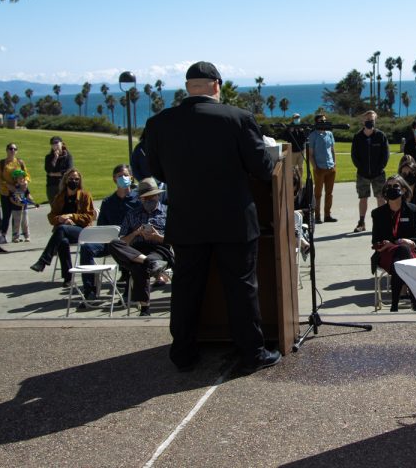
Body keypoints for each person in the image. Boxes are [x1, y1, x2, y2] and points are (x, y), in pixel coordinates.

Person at [144, 60, 280, 374]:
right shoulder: (238, 118)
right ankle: (252, 352)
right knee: (241, 287)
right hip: (233, 219)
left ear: (188, 86)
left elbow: (157, 171)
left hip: (187, 220)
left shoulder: (160, 123)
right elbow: (262, 168)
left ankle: (183, 352)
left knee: (187, 288)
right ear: (216, 85)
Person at [108, 178, 174, 317]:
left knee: (139, 267)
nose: (149, 200)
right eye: (145, 198)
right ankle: (147, 262)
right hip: (136, 250)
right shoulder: (132, 214)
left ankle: (145, 309)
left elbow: (176, 239)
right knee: (114, 244)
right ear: (140, 199)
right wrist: (135, 233)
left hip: (159, 250)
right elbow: (123, 241)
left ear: (158, 195)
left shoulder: (168, 212)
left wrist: (157, 237)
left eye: (152, 197)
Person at [78, 164, 140, 302]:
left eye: (125, 175)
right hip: (111, 242)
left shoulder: (139, 201)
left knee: (133, 249)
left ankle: (129, 291)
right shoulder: (108, 202)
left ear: (131, 177)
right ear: (114, 179)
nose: (123, 178)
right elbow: (101, 228)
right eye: (119, 176)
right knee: (87, 247)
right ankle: (90, 291)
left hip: (131, 242)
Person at [29, 169, 96, 284]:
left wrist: (72, 217)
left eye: (76, 179)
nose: (73, 181)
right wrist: (60, 219)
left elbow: (89, 217)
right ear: (65, 180)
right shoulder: (60, 197)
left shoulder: (85, 196)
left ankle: (44, 260)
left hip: (81, 230)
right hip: (64, 231)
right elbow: (51, 216)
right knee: (62, 241)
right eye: (71, 179)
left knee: (61, 229)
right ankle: (68, 277)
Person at [370, 175, 416, 312]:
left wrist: (409, 241)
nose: (391, 189)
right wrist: (390, 244)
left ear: (404, 190)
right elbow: (375, 241)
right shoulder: (378, 213)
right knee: (402, 253)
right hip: (387, 254)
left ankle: (394, 307)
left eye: (395, 186)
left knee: (402, 254)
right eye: (388, 187)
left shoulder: (413, 210)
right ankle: (414, 301)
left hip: (409, 253)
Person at [350, 109, 390, 233]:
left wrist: (380, 168)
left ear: (375, 120)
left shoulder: (380, 136)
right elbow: (354, 155)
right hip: (362, 174)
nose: (370, 122)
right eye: (367, 120)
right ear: (363, 121)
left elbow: (386, 155)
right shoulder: (358, 137)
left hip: (378, 174)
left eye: (372, 120)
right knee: (363, 198)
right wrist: (361, 168)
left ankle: (383, 222)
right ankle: (361, 223)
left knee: (381, 198)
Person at [0, 142, 28, 244]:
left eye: (15, 149)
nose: (12, 151)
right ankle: (3, 235)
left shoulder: (20, 162)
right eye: (10, 149)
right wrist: (7, 185)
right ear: (6, 150)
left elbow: (26, 175)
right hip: (6, 192)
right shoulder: (2, 163)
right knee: (6, 214)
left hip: (18, 191)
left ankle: (16, 236)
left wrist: (25, 182)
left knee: (17, 213)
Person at [8, 169, 38, 242]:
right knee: (16, 223)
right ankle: (15, 237)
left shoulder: (25, 187)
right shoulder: (13, 188)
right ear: (15, 179)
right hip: (16, 208)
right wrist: (17, 203)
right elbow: (11, 198)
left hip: (24, 208)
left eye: (22, 178)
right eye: (19, 178)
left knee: (25, 223)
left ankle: (27, 236)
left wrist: (33, 202)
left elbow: (28, 196)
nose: (21, 180)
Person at [44, 136, 73, 203]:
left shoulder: (68, 157)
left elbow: (68, 171)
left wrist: (54, 174)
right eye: (53, 144)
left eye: (56, 143)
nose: (55, 146)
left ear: (62, 143)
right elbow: (48, 170)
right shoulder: (48, 157)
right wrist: (55, 158)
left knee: (64, 207)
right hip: (51, 185)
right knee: (54, 208)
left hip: (64, 185)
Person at [281, 112, 308, 181]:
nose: (297, 119)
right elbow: (285, 138)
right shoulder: (289, 127)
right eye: (295, 118)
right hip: (293, 151)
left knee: (300, 167)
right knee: (292, 167)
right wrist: (290, 132)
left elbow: (305, 139)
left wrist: (302, 131)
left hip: (301, 151)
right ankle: (293, 181)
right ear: (292, 119)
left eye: (298, 117)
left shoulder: (301, 126)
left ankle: (300, 180)